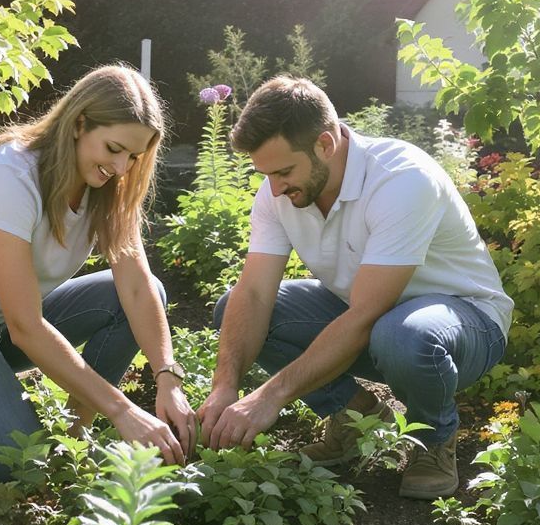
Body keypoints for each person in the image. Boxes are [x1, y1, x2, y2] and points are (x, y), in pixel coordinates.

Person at [197, 77, 513, 498]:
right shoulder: (279, 192)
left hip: (465, 324)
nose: (274, 188)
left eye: (284, 171)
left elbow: (367, 313)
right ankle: (354, 415)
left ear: (325, 144)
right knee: (234, 306)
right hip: (375, 321)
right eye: (266, 174)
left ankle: (433, 438)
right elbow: (253, 293)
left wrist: (269, 398)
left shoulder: (401, 179)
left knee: (402, 334)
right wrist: (224, 386)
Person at [0, 66, 196, 482]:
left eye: (133, 157)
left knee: (147, 292)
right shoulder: (10, 174)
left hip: (3, 324)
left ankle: (74, 436)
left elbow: (137, 288)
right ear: (79, 123)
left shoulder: (108, 189)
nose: (122, 167)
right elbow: (26, 326)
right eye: (114, 148)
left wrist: (168, 377)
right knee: (15, 460)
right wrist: (123, 411)